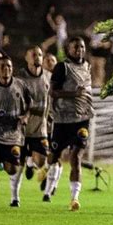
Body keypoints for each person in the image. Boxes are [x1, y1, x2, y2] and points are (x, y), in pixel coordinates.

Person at [42, 37, 94, 211]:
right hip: (63, 119)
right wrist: (73, 93)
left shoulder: (87, 66)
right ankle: (47, 171)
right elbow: (53, 92)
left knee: (76, 157)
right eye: (75, 47)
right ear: (68, 49)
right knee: (54, 156)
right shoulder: (62, 67)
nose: (79, 50)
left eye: (82, 46)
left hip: (82, 118)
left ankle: (74, 198)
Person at [0, 55, 31, 207]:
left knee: (12, 169)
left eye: (9, 66)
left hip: (13, 135)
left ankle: (14, 194)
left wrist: (25, 116)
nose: (6, 69)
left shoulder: (20, 85)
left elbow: (30, 104)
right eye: (2, 66)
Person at [15, 46, 51, 193]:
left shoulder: (48, 76)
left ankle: (32, 163)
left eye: (40, 55)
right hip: (22, 127)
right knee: (17, 164)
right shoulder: (20, 78)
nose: (37, 57)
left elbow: (52, 98)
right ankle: (15, 198)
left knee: (41, 160)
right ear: (27, 58)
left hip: (40, 126)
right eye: (34, 55)